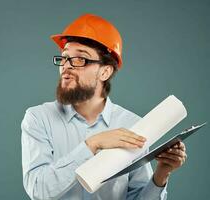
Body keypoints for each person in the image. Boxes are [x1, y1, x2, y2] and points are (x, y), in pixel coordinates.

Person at [21, 14, 187, 200]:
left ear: (105, 71)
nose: (66, 67)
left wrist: (162, 174)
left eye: (80, 59)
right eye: (65, 57)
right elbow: (38, 190)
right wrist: (92, 144)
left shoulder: (132, 125)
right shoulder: (39, 118)